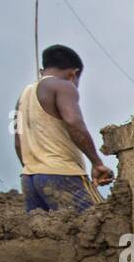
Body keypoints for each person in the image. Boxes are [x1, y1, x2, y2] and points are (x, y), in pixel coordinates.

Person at [14, 44, 113, 213]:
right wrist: (96, 163)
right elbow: (74, 122)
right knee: (98, 225)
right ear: (73, 74)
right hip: (62, 173)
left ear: (42, 70)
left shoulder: (23, 96)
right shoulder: (63, 86)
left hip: (29, 179)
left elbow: (18, 141)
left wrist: (34, 168)